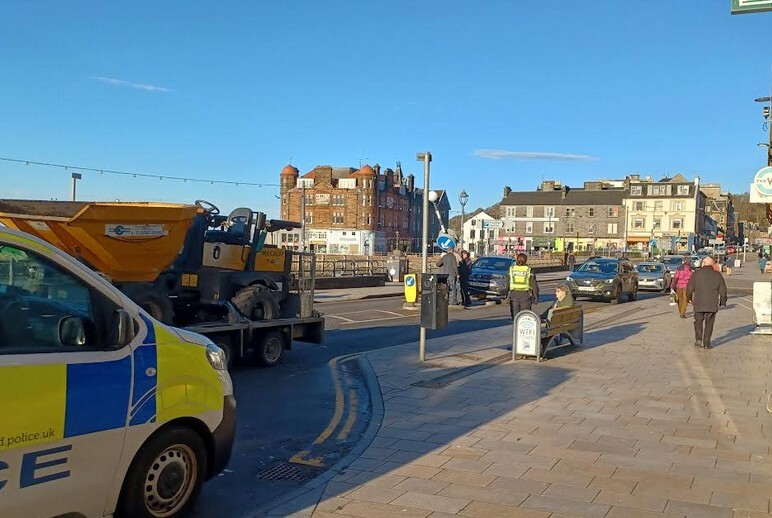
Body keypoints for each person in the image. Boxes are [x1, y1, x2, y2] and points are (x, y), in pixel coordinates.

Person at [686, 257, 727, 349]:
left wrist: (688, 298)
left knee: (698, 322)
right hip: (712, 303)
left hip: (699, 302)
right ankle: (707, 342)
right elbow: (723, 290)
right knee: (709, 323)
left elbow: (689, 288)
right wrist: (722, 301)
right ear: (712, 265)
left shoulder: (696, 274)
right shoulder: (717, 275)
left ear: (703, 263)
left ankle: (698, 339)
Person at [508, 252, 539, 319]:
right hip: (525, 295)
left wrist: (506, 295)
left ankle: (516, 328)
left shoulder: (512, 269)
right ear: (526, 260)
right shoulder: (529, 270)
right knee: (525, 315)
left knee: (515, 316)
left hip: (514, 294)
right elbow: (534, 284)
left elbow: (508, 282)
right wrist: (536, 297)